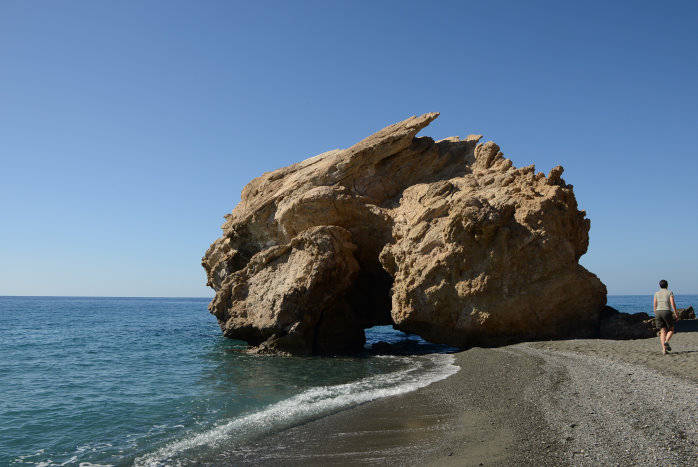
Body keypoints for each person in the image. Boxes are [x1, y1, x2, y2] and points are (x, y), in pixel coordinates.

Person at [653, 279, 679, 354]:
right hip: (667, 311)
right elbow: (672, 304)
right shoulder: (669, 292)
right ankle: (666, 341)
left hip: (658, 312)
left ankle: (664, 350)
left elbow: (654, 304)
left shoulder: (656, 293)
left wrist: (655, 312)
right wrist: (676, 314)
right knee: (671, 329)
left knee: (662, 331)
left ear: (660, 285)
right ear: (667, 285)